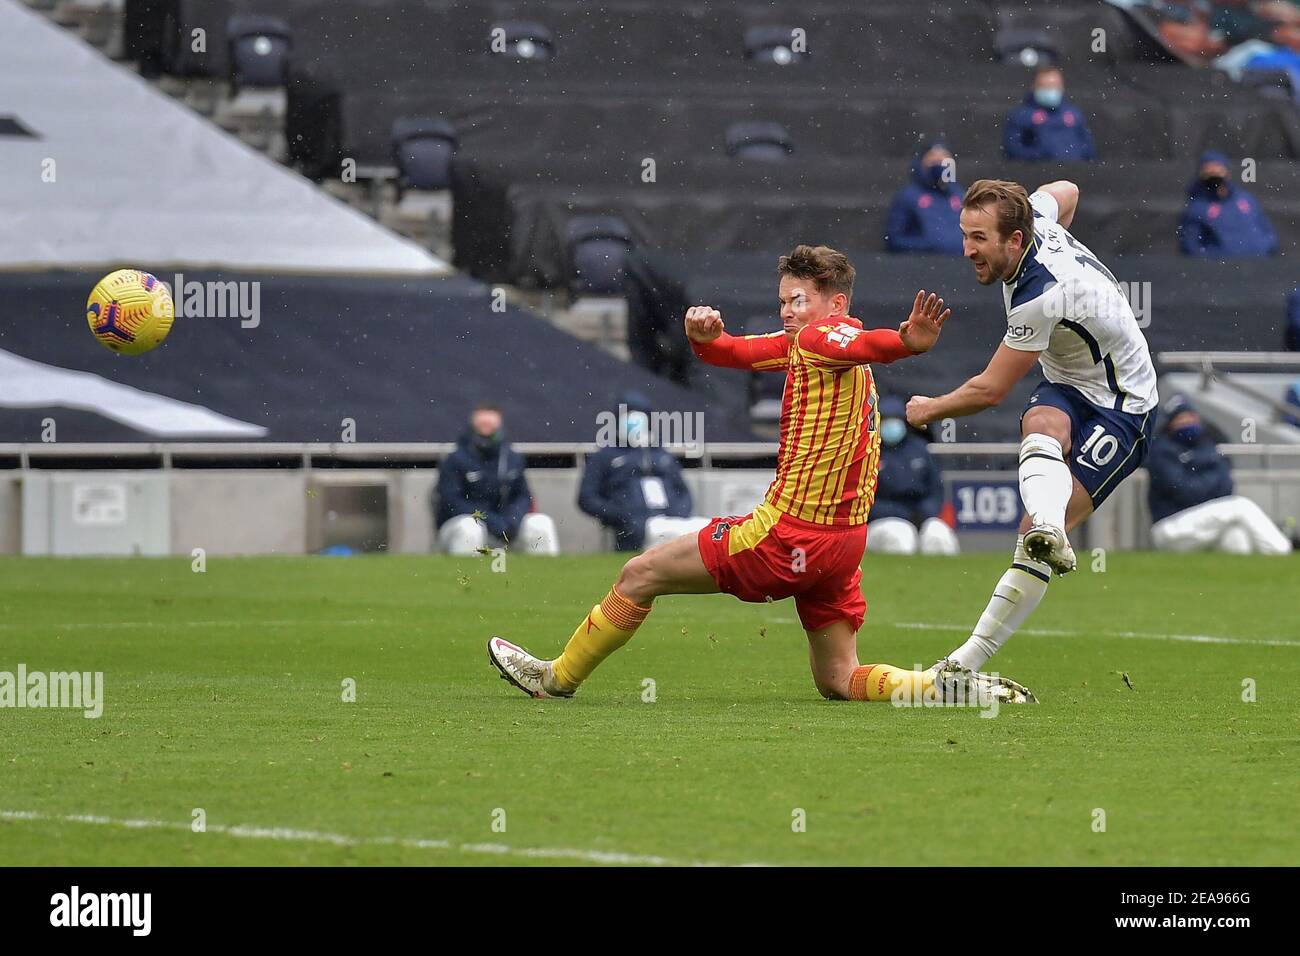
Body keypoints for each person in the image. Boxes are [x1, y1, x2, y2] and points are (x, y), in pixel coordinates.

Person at [489, 244, 1035, 704]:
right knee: (838, 680)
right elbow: (729, 353)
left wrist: (908, 341)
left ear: (835, 304)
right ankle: (944, 689)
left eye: (798, 300)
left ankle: (555, 679)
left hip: (787, 536)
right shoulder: (812, 346)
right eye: (782, 301)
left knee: (639, 575)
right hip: (843, 545)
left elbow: (873, 342)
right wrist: (702, 334)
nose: (787, 311)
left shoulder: (826, 338)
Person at [906, 178, 1159, 672]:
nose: (967, 250)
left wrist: (929, 409)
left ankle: (964, 665)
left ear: (1014, 240)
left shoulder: (1041, 296)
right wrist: (1047, 217)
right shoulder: (1036, 216)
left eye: (979, 239)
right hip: (1069, 382)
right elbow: (1067, 188)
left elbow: (989, 391)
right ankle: (1050, 525)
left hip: (1125, 406)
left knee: (1029, 539)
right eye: (965, 234)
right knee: (1040, 422)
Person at [1148, 395, 1292, 555]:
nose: (1187, 422)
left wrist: (1202, 482)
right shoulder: (1161, 450)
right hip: (1171, 526)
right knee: (1241, 506)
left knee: (1237, 539)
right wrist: (1210, 482)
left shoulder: (1207, 444)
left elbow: (1226, 486)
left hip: (1205, 524)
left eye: (1190, 416)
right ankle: (1283, 552)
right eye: (1180, 418)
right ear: (1170, 423)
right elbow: (1185, 491)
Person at [578, 390, 710, 551]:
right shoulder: (605, 456)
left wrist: (678, 514)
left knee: (704, 530)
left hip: (671, 523)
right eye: (627, 415)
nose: (633, 421)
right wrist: (621, 516)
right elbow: (587, 498)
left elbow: (683, 492)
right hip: (633, 528)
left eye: (639, 415)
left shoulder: (661, 455)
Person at [434, 404, 559, 556]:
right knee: (470, 528)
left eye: (491, 426)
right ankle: (465, 579)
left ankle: (545, 578)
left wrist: (513, 520)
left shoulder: (512, 458)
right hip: (464, 528)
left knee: (541, 524)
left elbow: (524, 496)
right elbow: (451, 501)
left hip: (506, 526)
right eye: (482, 426)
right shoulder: (455, 460)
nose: (486, 431)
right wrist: (489, 520)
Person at [866, 395, 959, 554]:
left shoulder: (920, 449)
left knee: (939, 536)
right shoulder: (868, 451)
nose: (892, 425)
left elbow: (936, 490)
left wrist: (922, 513)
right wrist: (902, 514)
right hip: (881, 521)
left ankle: (945, 578)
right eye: (887, 420)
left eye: (896, 419)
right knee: (901, 536)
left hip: (920, 517)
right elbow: (864, 501)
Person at [1178, 150, 1278, 257]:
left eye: (1217, 168)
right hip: (1224, 270)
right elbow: (1191, 246)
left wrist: (1266, 247)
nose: (1213, 173)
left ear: (1226, 172)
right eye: (1209, 171)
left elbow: (1267, 230)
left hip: (1260, 266)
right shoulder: (1197, 207)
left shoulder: (1245, 199)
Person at [883, 141, 964, 255]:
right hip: (922, 265)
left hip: (958, 264)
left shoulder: (959, 194)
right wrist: (930, 246)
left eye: (944, 158)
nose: (939, 163)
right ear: (921, 162)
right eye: (933, 158)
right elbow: (894, 239)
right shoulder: (907, 196)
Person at [1002, 66, 1097, 163]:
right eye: (1046, 86)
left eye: (1055, 85)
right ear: (1034, 87)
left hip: (1076, 171)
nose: (1051, 90)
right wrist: (1039, 156)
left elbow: (1088, 148)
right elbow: (1012, 149)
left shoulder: (1073, 114)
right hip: (1038, 172)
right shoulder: (1022, 115)